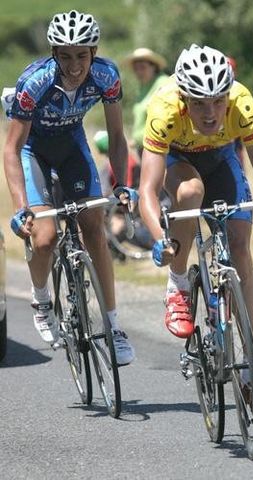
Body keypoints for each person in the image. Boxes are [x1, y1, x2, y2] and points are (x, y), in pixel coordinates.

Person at [139, 44, 253, 421]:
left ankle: (252, 376)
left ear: (228, 94)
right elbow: (147, 189)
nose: (210, 113)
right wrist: (160, 240)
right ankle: (178, 283)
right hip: (180, 164)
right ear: (183, 98)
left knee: (242, 250)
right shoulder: (164, 108)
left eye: (217, 101)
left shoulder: (242, 104)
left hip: (222, 160)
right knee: (191, 193)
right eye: (199, 103)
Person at [3, 10, 136, 366]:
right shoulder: (36, 82)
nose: (74, 65)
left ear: (93, 52)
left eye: (81, 55)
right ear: (54, 54)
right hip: (34, 150)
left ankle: (113, 325)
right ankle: (42, 298)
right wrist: (21, 208)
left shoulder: (107, 76)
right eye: (65, 55)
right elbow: (11, 149)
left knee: (94, 225)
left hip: (72, 146)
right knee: (44, 236)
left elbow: (118, 139)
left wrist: (123, 186)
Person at [123, 47, 169, 158]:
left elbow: (166, 120)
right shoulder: (144, 88)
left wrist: (139, 139)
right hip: (144, 148)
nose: (139, 72)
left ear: (154, 66)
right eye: (136, 68)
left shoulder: (164, 84)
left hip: (159, 149)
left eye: (142, 67)